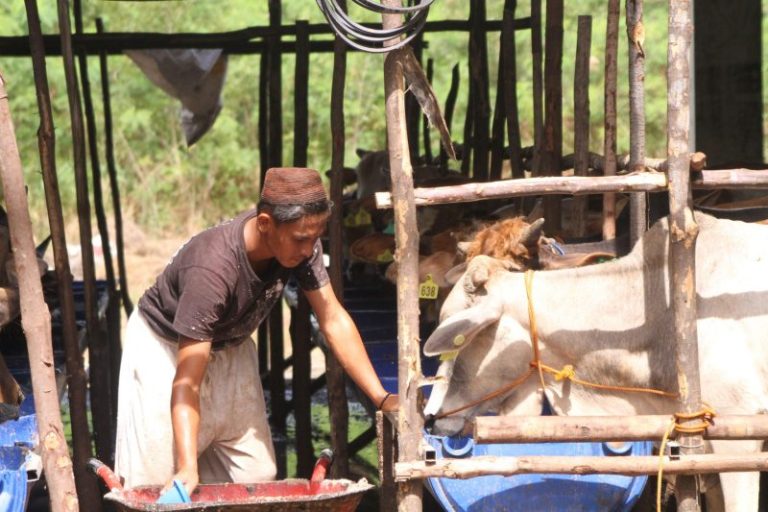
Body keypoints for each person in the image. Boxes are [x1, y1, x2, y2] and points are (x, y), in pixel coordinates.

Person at [114, 167, 398, 495]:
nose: (309, 250)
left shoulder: (300, 242)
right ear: (265, 223)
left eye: (316, 237)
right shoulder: (211, 269)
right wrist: (187, 466)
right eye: (301, 239)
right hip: (166, 351)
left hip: (231, 343)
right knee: (162, 480)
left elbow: (332, 317)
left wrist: (381, 397)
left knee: (257, 473)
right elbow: (187, 381)